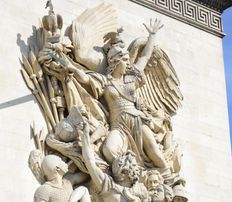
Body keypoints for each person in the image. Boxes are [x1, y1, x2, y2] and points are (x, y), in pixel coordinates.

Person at [63, 19, 168, 169]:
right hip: (118, 125)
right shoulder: (106, 82)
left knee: (155, 152)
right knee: (108, 150)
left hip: (137, 120)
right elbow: (86, 78)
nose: (128, 63)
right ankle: (128, 172)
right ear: (115, 62)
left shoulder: (131, 78)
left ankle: (166, 178)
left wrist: (152, 35)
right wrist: (71, 67)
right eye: (125, 60)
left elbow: (144, 57)